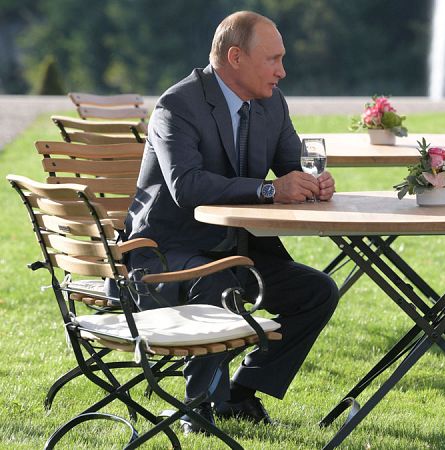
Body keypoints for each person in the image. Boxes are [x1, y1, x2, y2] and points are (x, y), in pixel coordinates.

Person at [123, 11, 339, 434]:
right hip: (169, 253)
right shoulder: (177, 105)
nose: (282, 71)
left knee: (316, 292)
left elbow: (290, 165)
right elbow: (186, 185)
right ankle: (198, 408)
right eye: (272, 59)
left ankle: (239, 393)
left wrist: (314, 181)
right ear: (235, 57)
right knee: (224, 288)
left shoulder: (271, 103)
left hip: (239, 249)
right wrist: (269, 191)